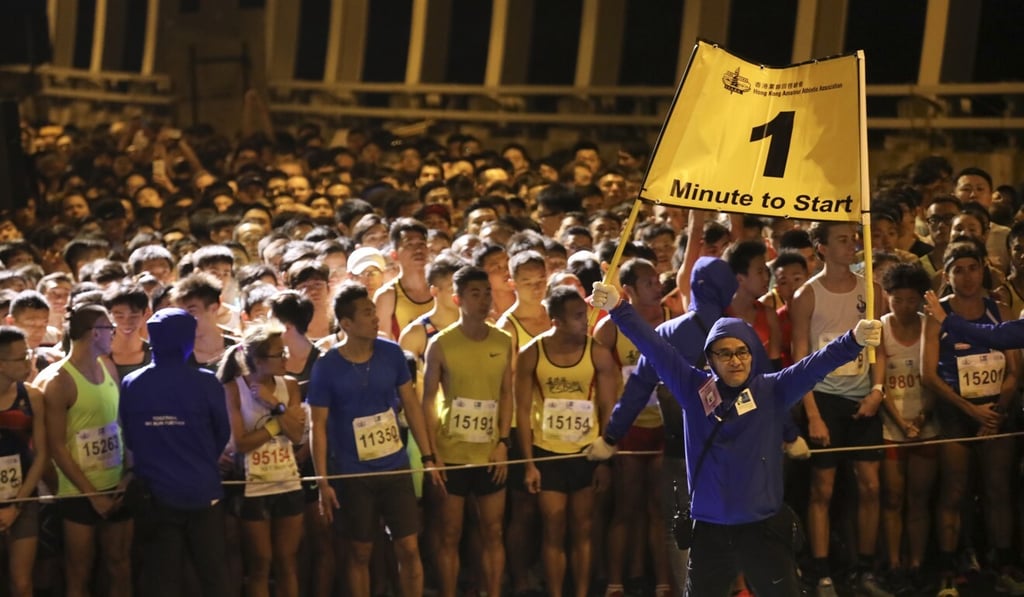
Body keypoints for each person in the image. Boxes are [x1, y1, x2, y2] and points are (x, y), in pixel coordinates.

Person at [589, 280, 881, 597]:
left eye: (742, 351)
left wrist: (853, 341)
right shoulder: (694, 388)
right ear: (710, 359)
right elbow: (654, 347)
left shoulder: (771, 389)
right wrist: (618, 308)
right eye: (724, 353)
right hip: (710, 532)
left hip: (763, 529)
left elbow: (814, 365)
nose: (735, 360)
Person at [588, 256, 738, 591]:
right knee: (731, 520)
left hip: (679, 450)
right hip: (733, 447)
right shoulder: (740, 332)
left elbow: (639, 388)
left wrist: (611, 436)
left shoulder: (670, 331)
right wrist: (786, 435)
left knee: (680, 528)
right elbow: (769, 388)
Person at [309, 282, 442, 597]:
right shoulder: (326, 367)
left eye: (373, 310)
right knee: (360, 552)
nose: (375, 318)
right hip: (353, 473)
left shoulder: (392, 353)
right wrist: (323, 482)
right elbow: (317, 425)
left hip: (395, 466)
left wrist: (427, 457)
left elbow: (410, 404)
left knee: (409, 546)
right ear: (346, 324)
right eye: (367, 313)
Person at [788, 221, 887, 597]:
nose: (852, 245)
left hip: (863, 398)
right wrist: (811, 413)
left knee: (872, 487)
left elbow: (880, 348)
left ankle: (865, 570)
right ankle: (822, 572)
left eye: (854, 239)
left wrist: (877, 391)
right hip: (824, 398)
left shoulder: (872, 291)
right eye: (842, 240)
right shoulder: (806, 295)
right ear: (822, 248)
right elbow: (799, 357)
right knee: (822, 490)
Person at [920, 242, 1023, 596]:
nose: (967, 276)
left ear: (983, 269)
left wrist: (994, 412)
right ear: (947, 275)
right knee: (955, 489)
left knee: (998, 489)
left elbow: (1014, 370)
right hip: (956, 412)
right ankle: (950, 567)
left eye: (973, 267)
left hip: (997, 412)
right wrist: (970, 411)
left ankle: (1004, 563)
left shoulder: (1002, 311)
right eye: (958, 269)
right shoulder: (936, 314)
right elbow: (928, 374)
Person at [119, 308, 231, 597]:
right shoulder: (206, 382)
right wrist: (202, 456)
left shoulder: (132, 383)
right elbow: (222, 432)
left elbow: (130, 437)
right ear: (187, 340)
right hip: (203, 492)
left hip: (155, 497)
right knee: (213, 577)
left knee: (161, 580)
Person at [517, 286, 618, 597]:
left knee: (584, 530)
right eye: (577, 317)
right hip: (547, 453)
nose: (585, 322)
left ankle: (584, 592)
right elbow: (521, 410)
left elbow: (608, 408)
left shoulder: (597, 351)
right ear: (556, 320)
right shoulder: (532, 353)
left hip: (587, 453)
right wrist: (529, 464)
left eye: (584, 315)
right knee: (553, 529)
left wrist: (606, 460)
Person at [421, 265, 514, 597]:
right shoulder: (441, 345)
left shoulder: (504, 340)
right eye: (475, 293)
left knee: (493, 532)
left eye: (487, 292)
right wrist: (431, 455)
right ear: (458, 299)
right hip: (452, 453)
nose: (484, 299)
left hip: (490, 452)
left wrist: (503, 442)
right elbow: (427, 401)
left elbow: (507, 395)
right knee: (449, 533)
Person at [591, 257, 672, 597]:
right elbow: (604, 389)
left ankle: (664, 582)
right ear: (628, 290)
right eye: (649, 283)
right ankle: (615, 582)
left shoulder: (673, 320)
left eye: (657, 280)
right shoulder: (609, 329)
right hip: (628, 431)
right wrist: (611, 434)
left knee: (658, 509)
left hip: (664, 429)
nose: (657, 287)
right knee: (624, 509)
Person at [41, 304, 132, 597]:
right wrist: (92, 495)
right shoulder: (58, 380)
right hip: (78, 492)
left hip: (116, 484)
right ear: (95, 333)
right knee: (79, 570)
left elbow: (120, 423)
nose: (114, 335)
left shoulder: (108, 367)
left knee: (120, 564)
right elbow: (55, 445)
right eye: (110, 329)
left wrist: (128, 472)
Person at [218, 323, 307, 597]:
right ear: (257, 360)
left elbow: (296, 436)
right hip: (252, 486)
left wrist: (275, 405)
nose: (285, 359)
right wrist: (275, 424)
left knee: (286, 562)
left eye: (285, 352)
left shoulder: (289, 386)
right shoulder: (234, 389)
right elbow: (242, 443)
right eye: (278, 354)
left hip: (287, 481)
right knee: (260, 563)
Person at [873, 264, 937, 594]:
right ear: (887, 297)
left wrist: (922, 420)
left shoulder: (929, 326)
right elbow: (878, 383)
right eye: (897, 300)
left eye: (911, 300)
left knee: (919, 498)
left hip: (926, 422)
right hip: (891, 425)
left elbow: (934, 379)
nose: (904, 307)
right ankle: (895, 562)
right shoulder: (880, 329)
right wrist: (901, 423)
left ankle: (917, 563)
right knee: (893, 497)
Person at [0, 326, 47, 597]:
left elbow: (41, 454)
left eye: (28, 353)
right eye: (21, 357)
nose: (29, 361)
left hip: (24, 499)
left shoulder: (32, 397)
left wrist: (17, 506)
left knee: (22, 583)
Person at [374, 218, 433, 339]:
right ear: (394, 255)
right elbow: (383, 345)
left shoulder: (441, 287)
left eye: (421, 244)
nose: (418, 250)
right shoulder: (387, 296)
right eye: (409, 245)